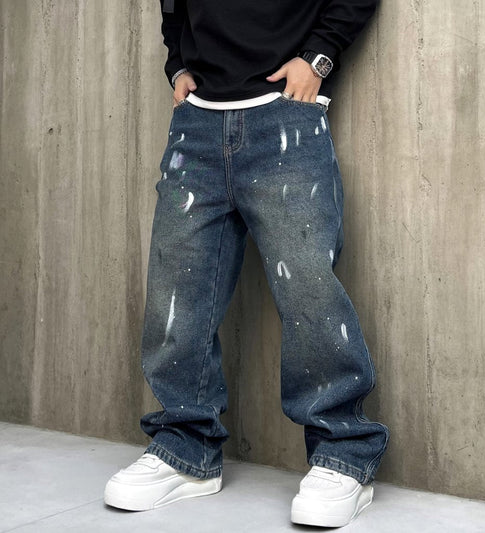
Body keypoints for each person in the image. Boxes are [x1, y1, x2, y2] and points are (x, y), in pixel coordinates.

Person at [104, 0, 389, 527]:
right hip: (196, 125)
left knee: (307, 288)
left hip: (284, 113)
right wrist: (177, 65)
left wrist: (319, 56)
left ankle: (343, 452)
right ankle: (184, 449)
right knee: (175, 290)